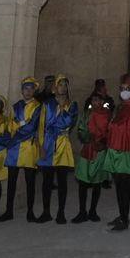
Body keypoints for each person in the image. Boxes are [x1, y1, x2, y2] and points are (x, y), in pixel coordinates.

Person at [104, 74, 130, 232]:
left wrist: (113, 127)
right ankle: (122, 214)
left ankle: (124, 218)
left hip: (126, 149)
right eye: (122, 89)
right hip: (116, 148)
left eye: (127, 89)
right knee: (118, 184)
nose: (124, 92)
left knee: (124, 184)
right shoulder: (121, 106)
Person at [39, 74, 77, 223]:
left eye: (65, 85)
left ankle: (61, 212)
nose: (63, 88)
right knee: (46, 180)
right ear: (55, 87)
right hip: (48, 143)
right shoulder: (47, 103)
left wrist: (61, 107)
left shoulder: (71, 104)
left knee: (62, 180)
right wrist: (41, 146)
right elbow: (42, 125)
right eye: (60, 85)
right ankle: (46, 211)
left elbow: (66, 121)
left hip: (63, 143)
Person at [9, 77, 46, 222]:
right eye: (26, 89)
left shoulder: (38, 106)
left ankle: (30, 211)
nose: (28, 91)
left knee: (30, 180)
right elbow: (9, 126)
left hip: (29, 146)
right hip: (15, 149)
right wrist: (22, 123)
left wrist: (17, 126)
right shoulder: (15, 106)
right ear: (22, 91)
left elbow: (33, 127)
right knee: (11, 180)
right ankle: (8, 210)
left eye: (31, 89)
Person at [72, 88, 110, 223]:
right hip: (86, 150)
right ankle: (82, 211)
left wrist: (104, 143)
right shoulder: (86, 114)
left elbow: (110, 132)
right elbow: (81, 129)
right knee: (83, 181)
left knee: (97, 182)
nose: (94, 103)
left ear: (102, 101)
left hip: (99, 152)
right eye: (92, 100)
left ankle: (93, 210)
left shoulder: (107, 115)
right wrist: (88, 137)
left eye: (96, 100)